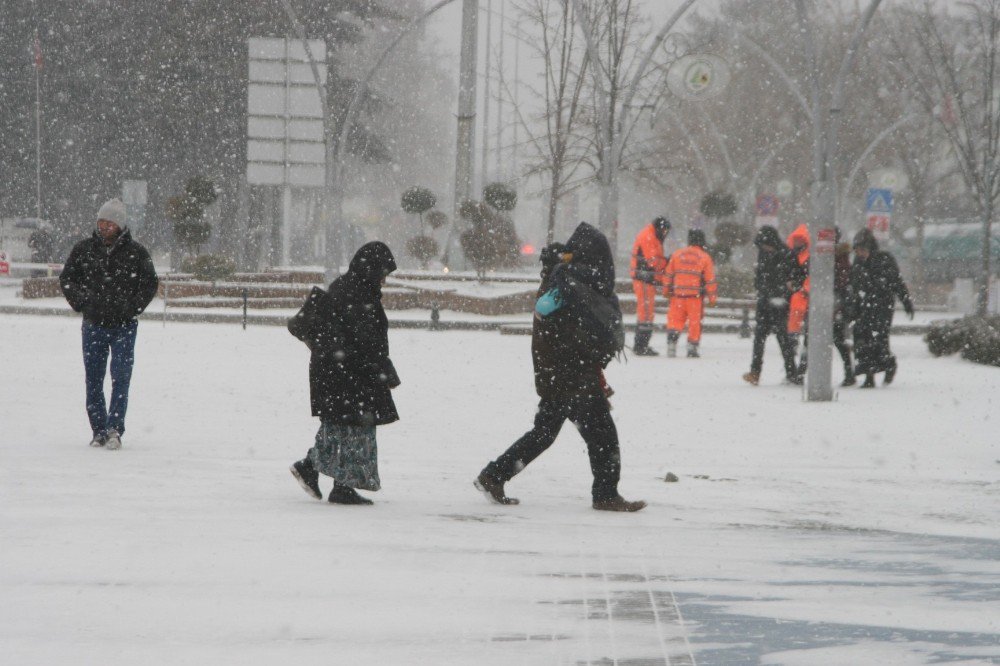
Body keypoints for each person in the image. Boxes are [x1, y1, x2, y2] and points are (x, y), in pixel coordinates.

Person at [474, 223, 646, 512]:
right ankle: (605, 494)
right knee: (602, 435)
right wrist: (587, 352)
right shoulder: (568, 285)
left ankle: (494, 475)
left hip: (563, 373)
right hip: (571, 374)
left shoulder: (567, 281)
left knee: (545, 433)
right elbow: (557, 326)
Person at [289, 242, 401, 505]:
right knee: (355, 427)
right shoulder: (358, 294)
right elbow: (366, 342)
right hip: (349, 372)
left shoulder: (349, 287)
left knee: (340, 426)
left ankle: (319, 471)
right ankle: (337, 483)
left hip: (336, 371)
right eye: (382, 273)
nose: (384, 280)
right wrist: (384, 371)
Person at [59, 198, 159, 449]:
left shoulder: (137, 252)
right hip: (93, 325)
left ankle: (115, 428)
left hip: (124, 327)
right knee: (93, 378)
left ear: (120, 225)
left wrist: (132, 308)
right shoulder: (83, 250)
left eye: (110, 222)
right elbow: (68, 278)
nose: (104, 226)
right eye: (101, 221)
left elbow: (149, 282)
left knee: (120, 378)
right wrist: (83, 303)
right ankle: (98, 430)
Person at [850, 229, 914, 388]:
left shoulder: (884, 259)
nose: (860, 253)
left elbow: (897, 282)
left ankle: (889, 364)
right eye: (857, 250)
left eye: (862, 249)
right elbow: (854, 285)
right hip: (863, 308)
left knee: (879, 341)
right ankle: (869, 376)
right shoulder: (857, 263)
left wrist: (906, 302)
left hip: (882, 308)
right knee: (862, 341)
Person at [742, 225, 804, 386]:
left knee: (783, 340)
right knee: (759, 339)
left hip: (780, 302)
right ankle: (755, 372)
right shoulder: (764, 254)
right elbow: (761, 275)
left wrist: (789, 287)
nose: (764, 248)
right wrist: (760, 287)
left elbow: (798, 275)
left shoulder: (787, 254)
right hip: (765, 302)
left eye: (766, 245)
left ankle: (792, 373)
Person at [664, 229, 717, 358]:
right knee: (694, 323)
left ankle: (672, 345)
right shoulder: (704, 257)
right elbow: (710, 279)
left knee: (675, 321)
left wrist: (666, 291)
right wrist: (712, 298)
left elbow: (668, 274)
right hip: (695, 298)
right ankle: (692, 348)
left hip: (678, 296)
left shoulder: (677, 254)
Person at [629, 216, 672, 355]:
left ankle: (640, 345)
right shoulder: (649, 237)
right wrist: (667, 263)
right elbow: (653, 261)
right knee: (646, 313)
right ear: (660, 228)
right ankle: (641, 346)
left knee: (646, 312)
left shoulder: (651, 235)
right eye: (665, 231)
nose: (665, 234)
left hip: (646, 279)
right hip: (644, 279)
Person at [785, 223, 810, 374]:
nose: (797, 243)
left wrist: (803, 289)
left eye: (800, 240)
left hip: (805, 304)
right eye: (796, 240)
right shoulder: (792, 256)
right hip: (795, 304)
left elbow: (809, 279)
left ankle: (801, 369)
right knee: (792, 339)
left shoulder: (808, 258)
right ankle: (794, 370)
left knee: (806, 340)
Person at [833, 232, 856, 386]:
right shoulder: (842, 260)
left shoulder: (840, 262)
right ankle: (849, 373)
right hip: (834, 306)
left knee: (838, 340)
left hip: (834, 306)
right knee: (839, 341)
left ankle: (799, 373)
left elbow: (842, 285)